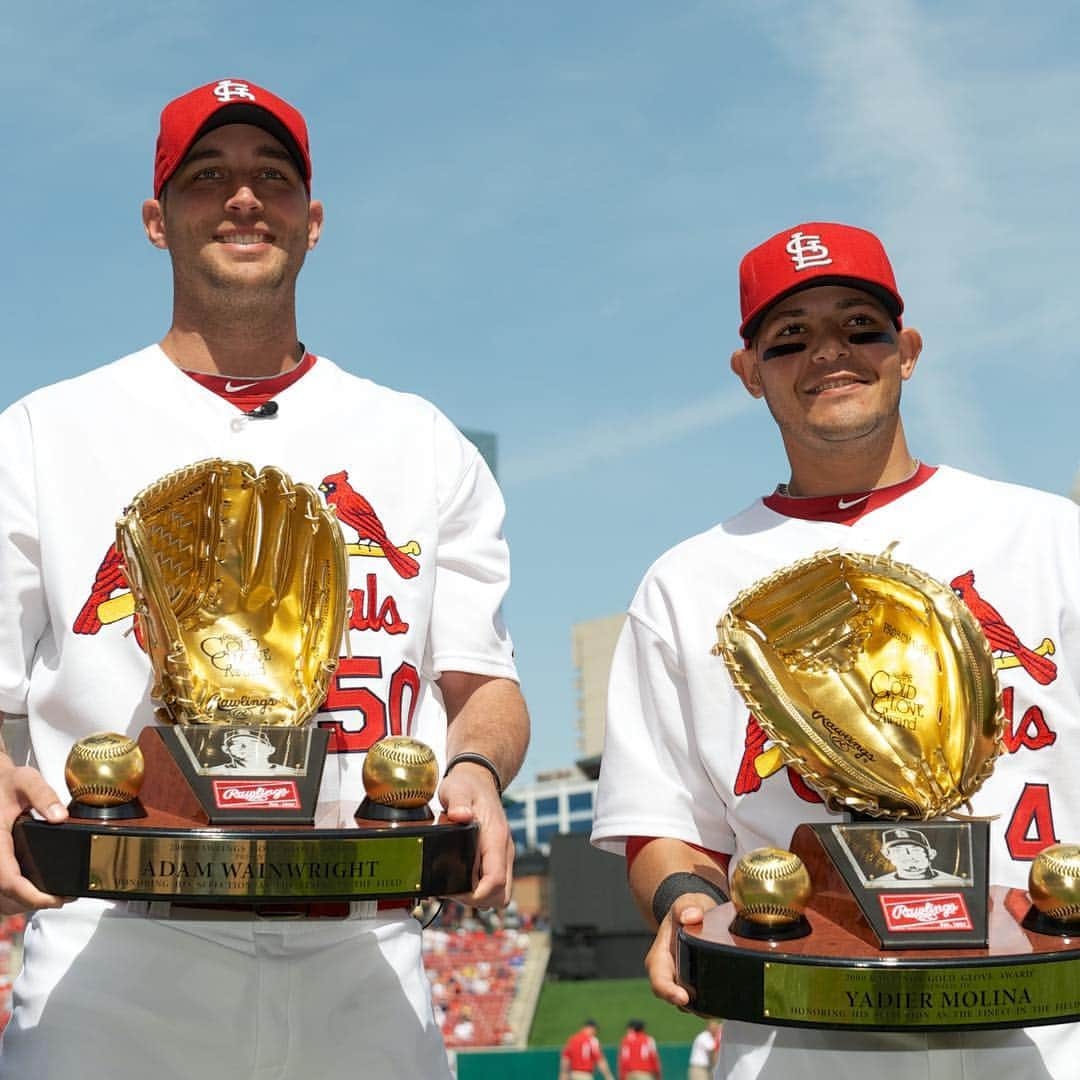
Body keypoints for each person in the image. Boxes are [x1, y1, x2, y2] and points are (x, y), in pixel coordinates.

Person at [0, 77, 529, 1080]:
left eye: (272, 179)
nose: (243, 199)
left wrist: (475, 770)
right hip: (119, 947)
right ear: (158, 221)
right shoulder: (41, 434)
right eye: (207, 178)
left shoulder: (416, 440)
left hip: (364, 948)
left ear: (312, 220)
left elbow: (484, 683)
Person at [592, 221, 1080, 1078]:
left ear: (909, 349)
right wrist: (689, 904)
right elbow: (665, 825)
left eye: (861, 326)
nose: (830, 353)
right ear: (749, 374)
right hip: (803, 1039)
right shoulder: (687, 582)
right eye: (791, 339)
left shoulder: (1048, 535)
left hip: (1049, 1026)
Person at [872, 828, 967, 886]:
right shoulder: (877, 885)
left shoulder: (955, 882)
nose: (908, 856)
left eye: (915, 850)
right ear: (887, 856)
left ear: (931, 854)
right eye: (898, 851)